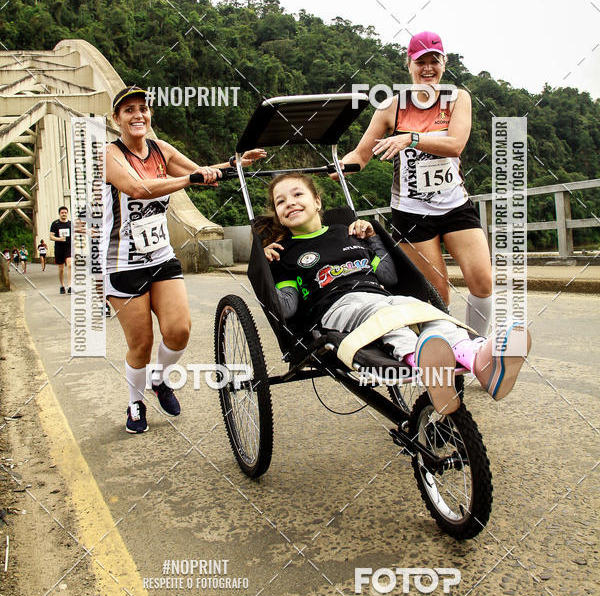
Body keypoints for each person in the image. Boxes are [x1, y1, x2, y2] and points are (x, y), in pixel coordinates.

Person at [261, 173, 530, 415]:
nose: (290, 203)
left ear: (317, 201)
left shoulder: (348, 233)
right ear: (277, 213)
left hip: (379, 295)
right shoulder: (285, 254)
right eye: (281, 202)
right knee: (384, 317)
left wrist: (373, 238)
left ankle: (479, 360)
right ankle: (420, 359)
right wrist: (267, 270)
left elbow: (388, 276)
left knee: (422, 311)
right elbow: (287, 308)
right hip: (335, 308)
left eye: (298, 194)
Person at [104, 86, 266, 434]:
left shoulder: (162, 150)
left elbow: (202, 174)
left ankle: (160, 380)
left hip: (161, 256)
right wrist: (187, 180)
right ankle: (135, 404)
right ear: (116, 119)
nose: (138, 116)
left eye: (143, 109)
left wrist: (234, 165)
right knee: (141, 344)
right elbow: (138, 188)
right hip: (123, 262)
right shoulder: (110, 155)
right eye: (128, 110)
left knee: (178, 332)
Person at [340, 30, 493, 338]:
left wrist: (410, 138)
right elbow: (362, 153)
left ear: (444, 63)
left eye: (434, 61)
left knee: (482, 280)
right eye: (420, 62)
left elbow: (455, 145)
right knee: (437, 293)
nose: (427, 68)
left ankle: (475, 347)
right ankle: (450, 355)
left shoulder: (457, 98)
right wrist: (340, 167)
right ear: (408, 65)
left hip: (454, 205)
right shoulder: (391, 108)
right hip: (411, 212)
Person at [49, 206, 72, 294]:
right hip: (59, 247)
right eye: (62, 213)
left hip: (69, 247)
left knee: (70, 264)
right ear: (59, 213)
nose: (64, 214)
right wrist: (59, 239)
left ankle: (70, 286)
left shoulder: (70, 224)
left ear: (67, 213)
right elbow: (51, 236)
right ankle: (62, 285)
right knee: (61, 268)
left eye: (65, 212)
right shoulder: (55, 224)